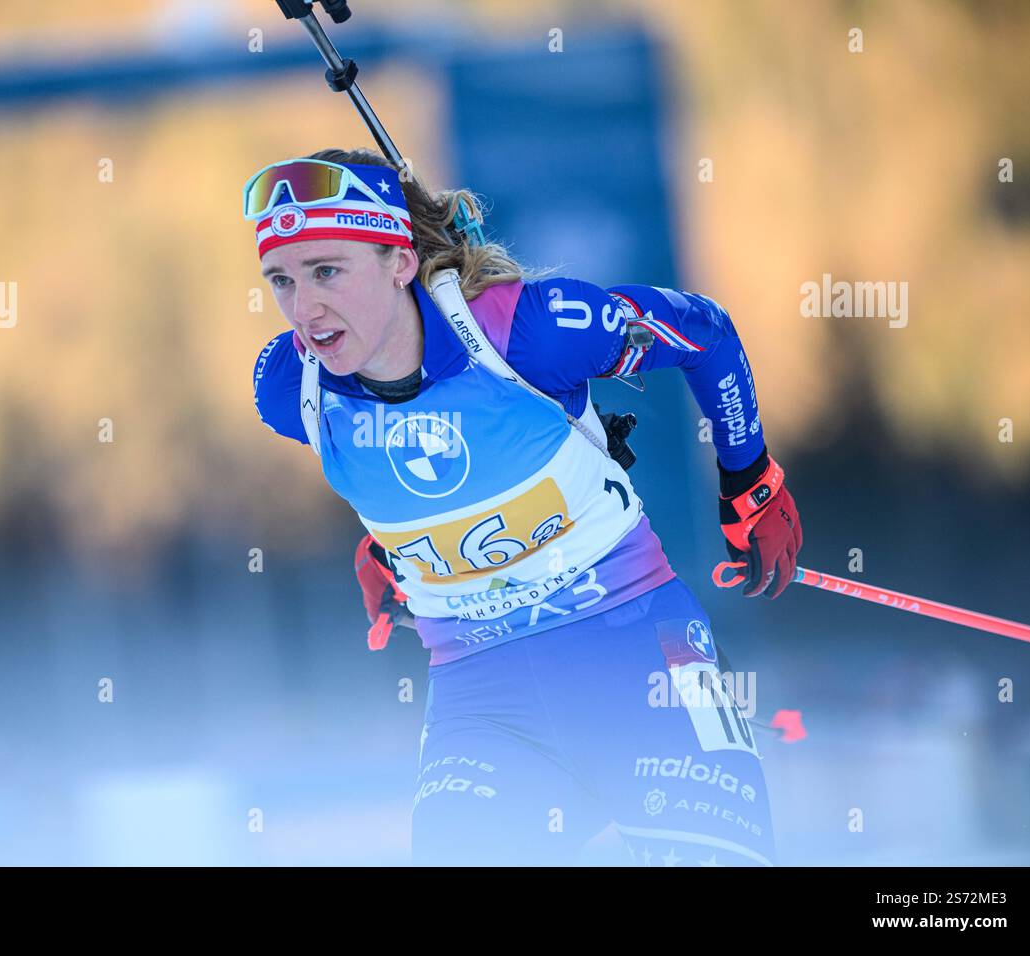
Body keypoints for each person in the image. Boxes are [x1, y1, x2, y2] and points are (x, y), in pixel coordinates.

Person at [246, 147, 802, 866]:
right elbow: (420, 478)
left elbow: (704, 333)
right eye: (281, 280)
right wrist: (401, 552)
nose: (304, 308)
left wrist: (750, 481)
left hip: (639, 663)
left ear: (400, 263)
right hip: (484, 703)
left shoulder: (524, 333)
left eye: (327, 271)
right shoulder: (289, 387)